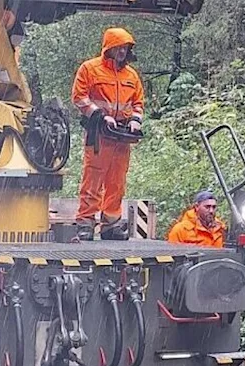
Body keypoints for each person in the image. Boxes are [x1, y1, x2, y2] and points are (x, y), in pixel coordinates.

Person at [71, 27, 144, 240]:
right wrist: (101, 115)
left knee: (117, 181)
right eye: (118, 47)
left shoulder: (131, 75)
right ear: (109, 48)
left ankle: (110, 224)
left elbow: (138, 103)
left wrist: (135, 120)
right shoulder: (90, 69)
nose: (122, 51)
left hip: (122, 134)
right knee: (93, 178)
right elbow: (79, 97)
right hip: (99, 133)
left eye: (125, 48)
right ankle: (85, 222)